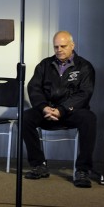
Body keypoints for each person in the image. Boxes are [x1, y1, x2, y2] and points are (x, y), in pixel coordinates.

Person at [22, 31, 96, 188]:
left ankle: (82, 170)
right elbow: (34, 88)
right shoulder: (44, 65)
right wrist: (44, 108)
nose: (59, 50)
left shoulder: (85, 67)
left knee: (89, 118)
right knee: (26, 118)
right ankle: (39, 165)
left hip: (71, 112)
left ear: (72, 45)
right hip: (47, 110)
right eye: (56, 47)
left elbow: (84, 94)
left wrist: (62, 109)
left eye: (63, 46)